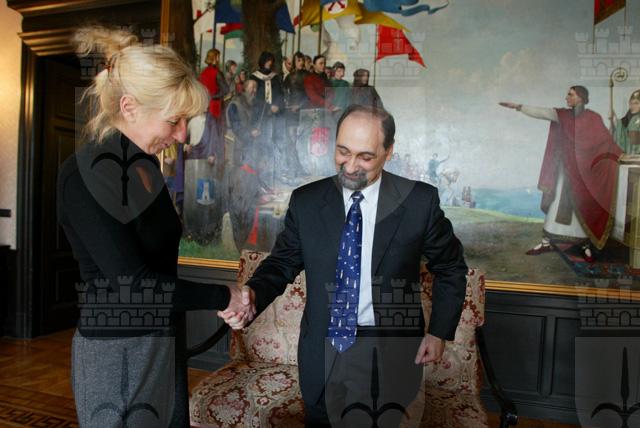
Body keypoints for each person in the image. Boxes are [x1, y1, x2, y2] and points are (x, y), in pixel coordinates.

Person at [219, 105, 468, 427]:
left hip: (388, 352)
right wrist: (253, 293)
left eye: (365, 157)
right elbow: (281, 263)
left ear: (388, 151)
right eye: (343, 152)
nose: (350, 166)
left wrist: (438, 332)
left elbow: (450, 267)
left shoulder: (419, 202)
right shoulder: (307, 201)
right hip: (322, 350)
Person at [60, 26, 253, 427]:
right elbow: (133, 285)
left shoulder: (145, 166)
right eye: (174, 121)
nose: (182, 135)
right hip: (117, 352)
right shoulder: (85, 174)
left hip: (163, 338)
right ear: (129, 107)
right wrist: (224, 295)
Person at [500, 86, 622, 263]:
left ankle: (584, 245)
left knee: (582, 207)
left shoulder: (593, 118)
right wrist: (519, 107)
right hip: (564, 171)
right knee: (556, 203)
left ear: (580, 97)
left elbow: (605, 142)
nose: (566, 98)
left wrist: (618, 152)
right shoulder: (563, 115)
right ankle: (546, 242)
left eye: (570, 95)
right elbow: (542, 112)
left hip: (584, 175)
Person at [199, 48, 228, 120]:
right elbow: (226, 90)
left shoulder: (203, 73)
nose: (219, 59)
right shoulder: (217, 73)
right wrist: (214, 96)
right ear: (215, 58)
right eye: (218, 57)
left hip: (205, 105)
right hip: (216, 106)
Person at [612, 89, 640, 154]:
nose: (632, 106)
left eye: (636, 103)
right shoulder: (627, 118)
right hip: (628, 154)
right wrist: (614, 119)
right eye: (631, 103)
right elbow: (622, 132)